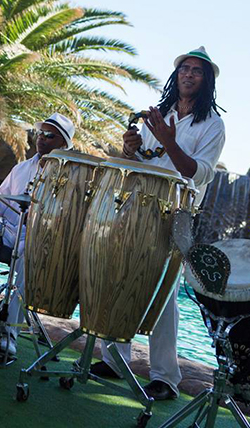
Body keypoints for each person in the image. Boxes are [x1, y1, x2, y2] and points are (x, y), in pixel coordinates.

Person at [91, 46, 225, 401]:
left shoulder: (213, 125)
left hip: (177, 212)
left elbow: (198, 173)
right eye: (185, 68)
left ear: (206, 79)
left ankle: (165, 378)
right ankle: (115, 360)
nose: (189, 74)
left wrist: (169, 141)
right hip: (138, 204)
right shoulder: (159, 113)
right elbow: (140, 160)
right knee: (119, 275)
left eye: (197, 70)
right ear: (176, 74)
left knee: (163, 293)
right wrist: (130, 148)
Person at [0, 113, 76, 355]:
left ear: (63, 144)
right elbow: (3, 198)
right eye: (40, 133)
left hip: (39, 241)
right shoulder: (21, 168)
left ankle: (8, 332)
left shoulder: (70, 177)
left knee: (28, 256)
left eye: (50, 135)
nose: (42, 138)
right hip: (8, 233)